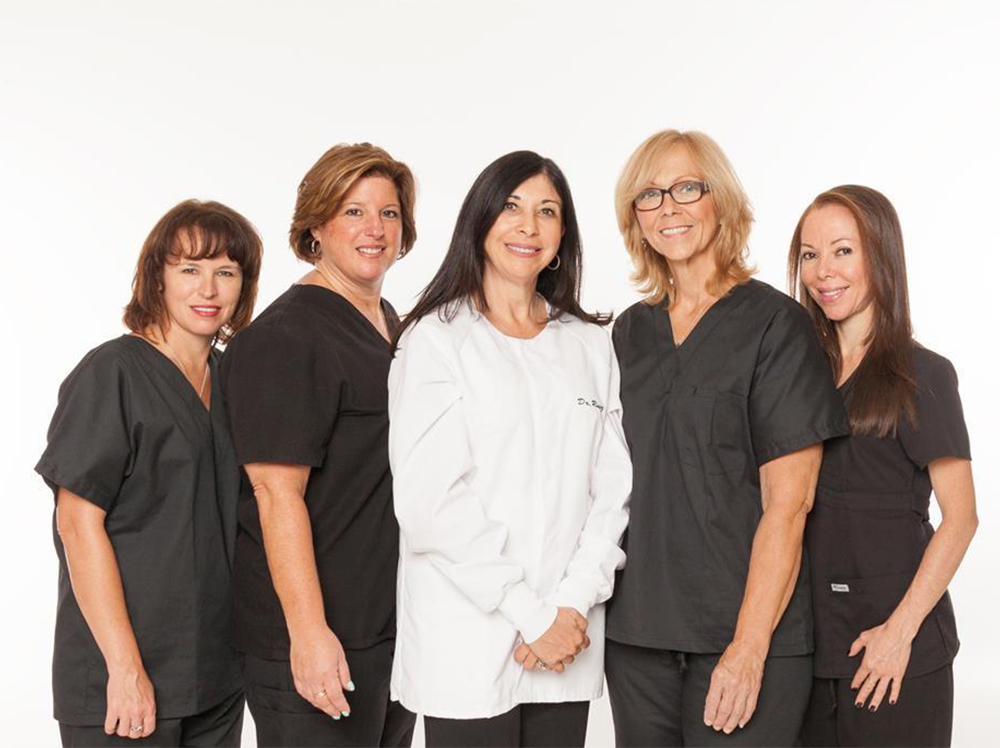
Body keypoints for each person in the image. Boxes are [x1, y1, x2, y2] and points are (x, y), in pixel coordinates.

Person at [604, 130, 850, 747]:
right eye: (650, 195)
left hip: (746, 638)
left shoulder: (776, 326)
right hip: (638, 639)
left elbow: (789, 506)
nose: (670, 207)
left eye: (688, 187)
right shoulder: (627, 334)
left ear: (722, 201)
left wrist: (748, 647)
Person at [387, 150, 632, 748]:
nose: (529, 226)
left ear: (563, 234)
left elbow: (612, 489)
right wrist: (532, 615)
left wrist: (569, 606)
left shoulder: (589, 343)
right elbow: (431, 505)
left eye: (547, 211)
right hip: (469, 638)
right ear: (481, 220)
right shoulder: (436, 340)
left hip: (566, 639)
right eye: (513, 207)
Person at [36, 200, 263, 747]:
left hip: (215, 676)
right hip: (123, 680)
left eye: (225, 272)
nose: (207, 290)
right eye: (190, 269)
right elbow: (77, 525)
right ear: (156, 278)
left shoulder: (231, 379)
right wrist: (124, 669)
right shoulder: (111, 374)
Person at [219, 143, 417, 748]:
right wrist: (308, 634)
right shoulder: (286, 337)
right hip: (316, 639)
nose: (374, 229)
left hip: (392, 628)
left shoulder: (395, 325)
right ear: (316, 225)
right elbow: (276, 494)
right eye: (353, 211)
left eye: (388, 213)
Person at [788, 185, 978, 747]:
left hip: (895, 650)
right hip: (806, 650)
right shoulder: (794, 377)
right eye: (809, 254)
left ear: (881, 254)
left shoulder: (924, 374)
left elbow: (961, 518)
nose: (824, 270)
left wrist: (899, 633)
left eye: (843, 250)